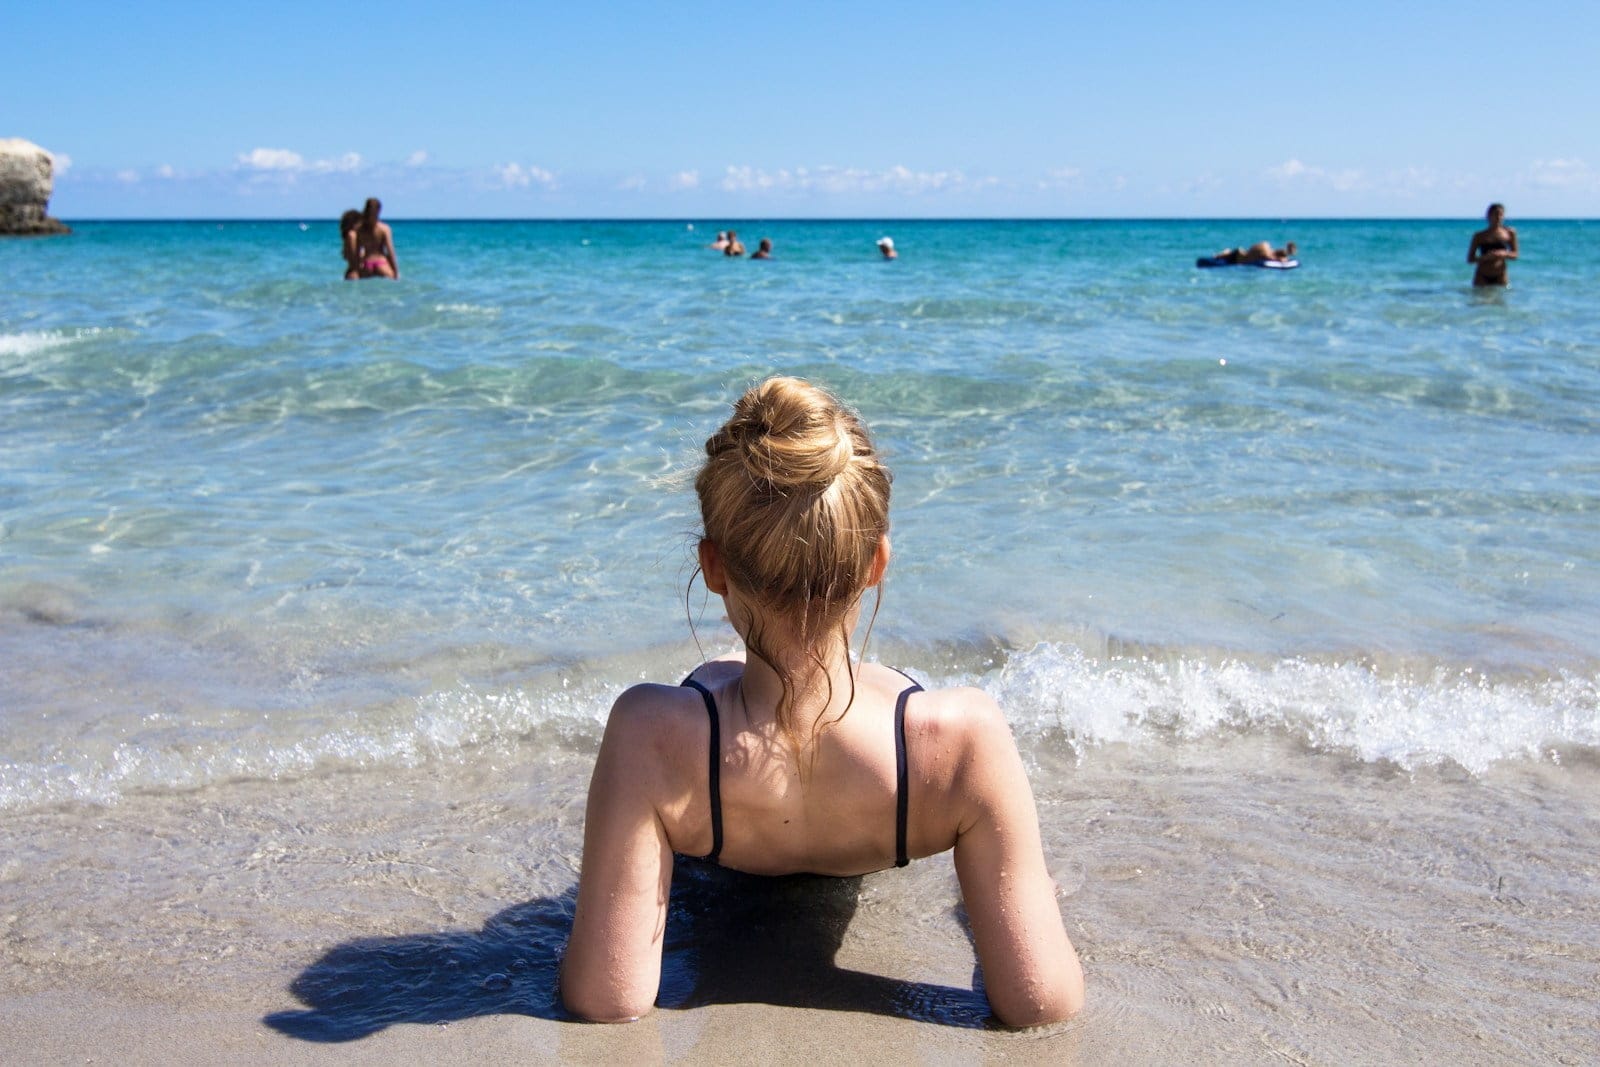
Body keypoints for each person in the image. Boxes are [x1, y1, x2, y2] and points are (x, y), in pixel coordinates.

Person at [560, 377, 1084, 1028]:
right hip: (887, 773)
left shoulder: (650, 736)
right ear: (877, 563)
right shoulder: (961, 744)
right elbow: (1041, 1001)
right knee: (874, 684)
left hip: (719, 791)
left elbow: (605, 998)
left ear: (713, 567)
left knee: (720, 672)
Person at [1467, 203, 1517, 287]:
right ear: (1489, 216)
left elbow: (1515, 255)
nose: (1498, 217)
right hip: (1482, 274)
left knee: (1503, 298)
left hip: (1501, 274)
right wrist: (1486, 257)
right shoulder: (1479, 236)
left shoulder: (1509, 233)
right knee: (1480, 299)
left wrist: (1504, 254)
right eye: (1495, 214)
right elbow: (1470, 259)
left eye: (1501, 215)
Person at [352, 197, 399, 279]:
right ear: (379, 211)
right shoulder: (384, 229)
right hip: (381, 263)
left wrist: (356, 269)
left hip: (367, 264)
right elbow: (390, 251)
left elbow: (357, 252)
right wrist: (396, 272)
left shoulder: (359, 229)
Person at [1215, 240, 1296, 264]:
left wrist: (1283, 258)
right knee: (1218, 257)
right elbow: (1272, 257)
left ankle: (1226, 251)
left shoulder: (1267, 247)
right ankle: (1225, 252)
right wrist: (1281, 260)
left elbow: (1278, 254)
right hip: (1237, 257)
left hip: (1240, 254)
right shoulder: (1266, 253)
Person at [338, 209, 363, 280]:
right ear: (354, 223)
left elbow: (346, 256)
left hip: (352, 271)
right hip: (355, 272)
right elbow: (354, 256)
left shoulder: (349, 236)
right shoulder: (352, 235)